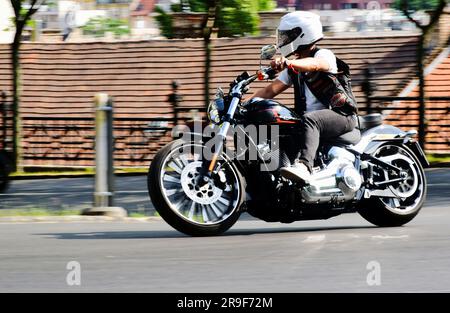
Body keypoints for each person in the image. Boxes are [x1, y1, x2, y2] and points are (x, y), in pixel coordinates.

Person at [247, 11, 358, 182]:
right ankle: (268, 177)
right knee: (277, 122)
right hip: (309, 120)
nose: (283, 41)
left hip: (341, 115)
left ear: (302, 34)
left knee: (310, 119)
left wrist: (289, 63)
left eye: (287, 36)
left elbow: (315, 65)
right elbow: (270, 91)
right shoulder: (294, 68)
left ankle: (305, 166)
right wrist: (243, 105)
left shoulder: (323, 54)